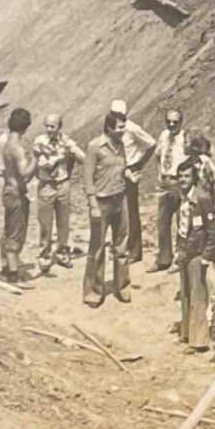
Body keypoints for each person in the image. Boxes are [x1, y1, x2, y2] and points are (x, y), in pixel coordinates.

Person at [82, 111, 131, 307]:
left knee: (121, 247)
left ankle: (123, 287)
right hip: (101, 203)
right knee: (97, 248)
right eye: (120, 127)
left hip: (120, 200)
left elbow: (120, 168)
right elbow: (88, 178)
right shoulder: (95, 147)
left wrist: (129, 174)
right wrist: (93, 204)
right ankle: (94, 291)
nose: (123, 130)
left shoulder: (121, 145)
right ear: (109, 128)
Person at [174, 157, 215, 353]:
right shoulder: (182, 197)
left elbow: (214, 232)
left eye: (187, 176)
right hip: (185, 250)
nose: (183, 180)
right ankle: (187, 334)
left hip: (198, 254)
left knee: (197, 296)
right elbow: (182, 227)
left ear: (193, 178)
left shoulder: (202, 198)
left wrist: (207, 256)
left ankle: (199, 341)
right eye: (180, 176)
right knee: (185, 294)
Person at [32, 114, 86, 273]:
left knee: (64, 221)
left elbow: (82, 158)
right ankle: (45, 253)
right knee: (45, 222)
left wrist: (72, 150)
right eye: (47, 126)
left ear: (59, 127)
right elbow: (45, 164)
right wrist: (61, 155)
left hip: (63, 184)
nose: (49, 129)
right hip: (46, 186)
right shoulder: (39, 142)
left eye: (52, 126)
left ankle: (63, 250)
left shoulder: (66, 141)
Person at [108, 100, 157, 269]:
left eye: (120, 115)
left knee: (131, 210)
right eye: (115, 115)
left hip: (129, 170)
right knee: (116, 210)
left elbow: (151, 143)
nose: (118, 118)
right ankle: (120, 247)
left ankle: (135, 251)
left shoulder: (132, 128)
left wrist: (139, 164)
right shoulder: (111, 128)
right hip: (115, 170)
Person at [0, 108, 37, 283]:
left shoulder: (6, 143)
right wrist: (36, 159)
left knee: (8, 230)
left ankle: (6, 266)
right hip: (16, 194)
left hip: (8, 190)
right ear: (25, 127)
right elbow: (25, 174)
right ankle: (13, 274)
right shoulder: (17, 148)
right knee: (16, 233)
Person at [154, 109, 187, 272]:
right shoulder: (163, 136)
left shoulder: (185, 138)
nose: (172, 124)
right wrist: (159, 174)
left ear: (181, 122)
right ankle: (163, 259)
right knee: (162, 223)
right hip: (165, 182)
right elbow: (157, 155)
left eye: (175, 122)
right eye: (169, 121)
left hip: (179, 183)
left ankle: (180, 259)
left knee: (182, 222)